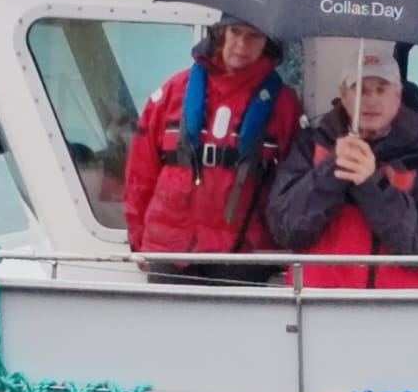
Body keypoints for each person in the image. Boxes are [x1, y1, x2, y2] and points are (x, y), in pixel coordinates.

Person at [123, 16, 303, 282]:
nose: (242, 44)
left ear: (267, 43)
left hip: (243, 256)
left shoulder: (284, 105)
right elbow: (141, 172)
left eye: (254, 36)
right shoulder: (174, 91)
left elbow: (293, 186)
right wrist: (139, 240)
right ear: (220, 34)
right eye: (235, 32)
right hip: (170, 250)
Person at [267, 45, 418, 289]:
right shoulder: (308, 146)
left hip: (399, 310)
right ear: (344, 96)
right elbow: (287, 230)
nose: (371, 100)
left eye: (381, 89)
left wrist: (373, 184)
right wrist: (332, 170)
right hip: (318, 306)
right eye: (361, 90)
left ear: (397, 96)